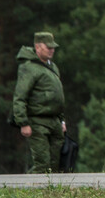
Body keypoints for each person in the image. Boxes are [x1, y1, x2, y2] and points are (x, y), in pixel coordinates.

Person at [11, 31, 66, 173]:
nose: (52, 50)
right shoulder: (29, 67)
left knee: (55, 164)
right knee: (42, 164)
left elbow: (58, 97)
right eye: (48, 47)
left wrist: (62, 121)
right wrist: (23, 123)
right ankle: (25, 190)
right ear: (38, 47)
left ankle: (50, 194)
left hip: (54, 121)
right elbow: (20, 96)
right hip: (37, 121)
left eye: (53, 47)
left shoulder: (52, 67)